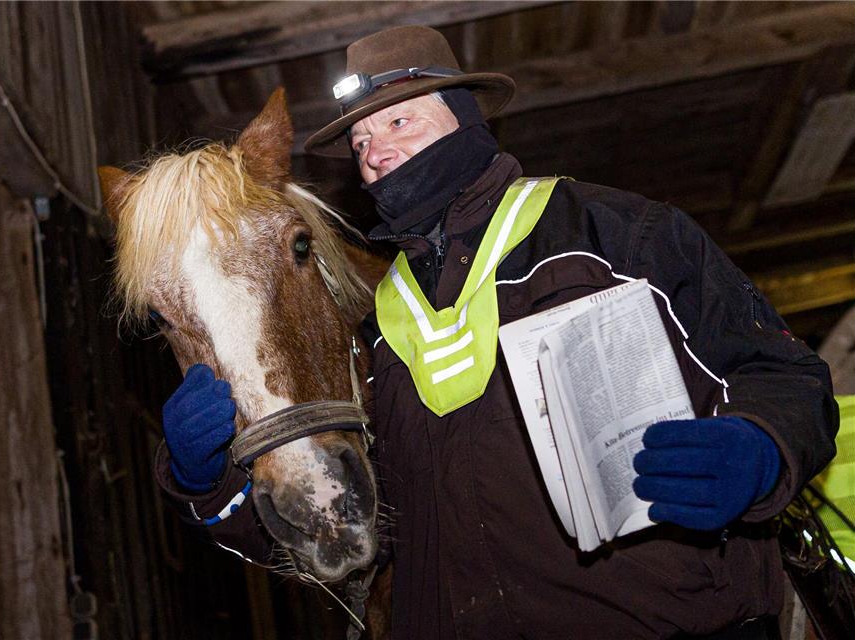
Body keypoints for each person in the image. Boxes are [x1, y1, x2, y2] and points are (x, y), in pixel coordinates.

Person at [155, 26, 839, 639]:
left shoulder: (615, 230)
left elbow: (784, 375)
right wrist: (207, 479)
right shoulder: (378, 326)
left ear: (465, 121)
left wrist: (762, 449)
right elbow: (353, 524)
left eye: (399, 123)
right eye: (361, 141)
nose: (374, 153)